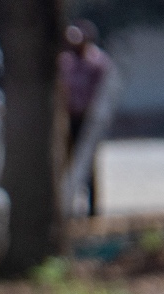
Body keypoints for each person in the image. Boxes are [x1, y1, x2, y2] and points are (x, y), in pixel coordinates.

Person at [58, 19, 114, 217]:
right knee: (69, 163)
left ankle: (93, 208)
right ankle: (68, 207)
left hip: (89, 120)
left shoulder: (97, 62)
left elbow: (104, 91)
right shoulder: (66, 62)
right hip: (70, 118)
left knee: (89, 164)